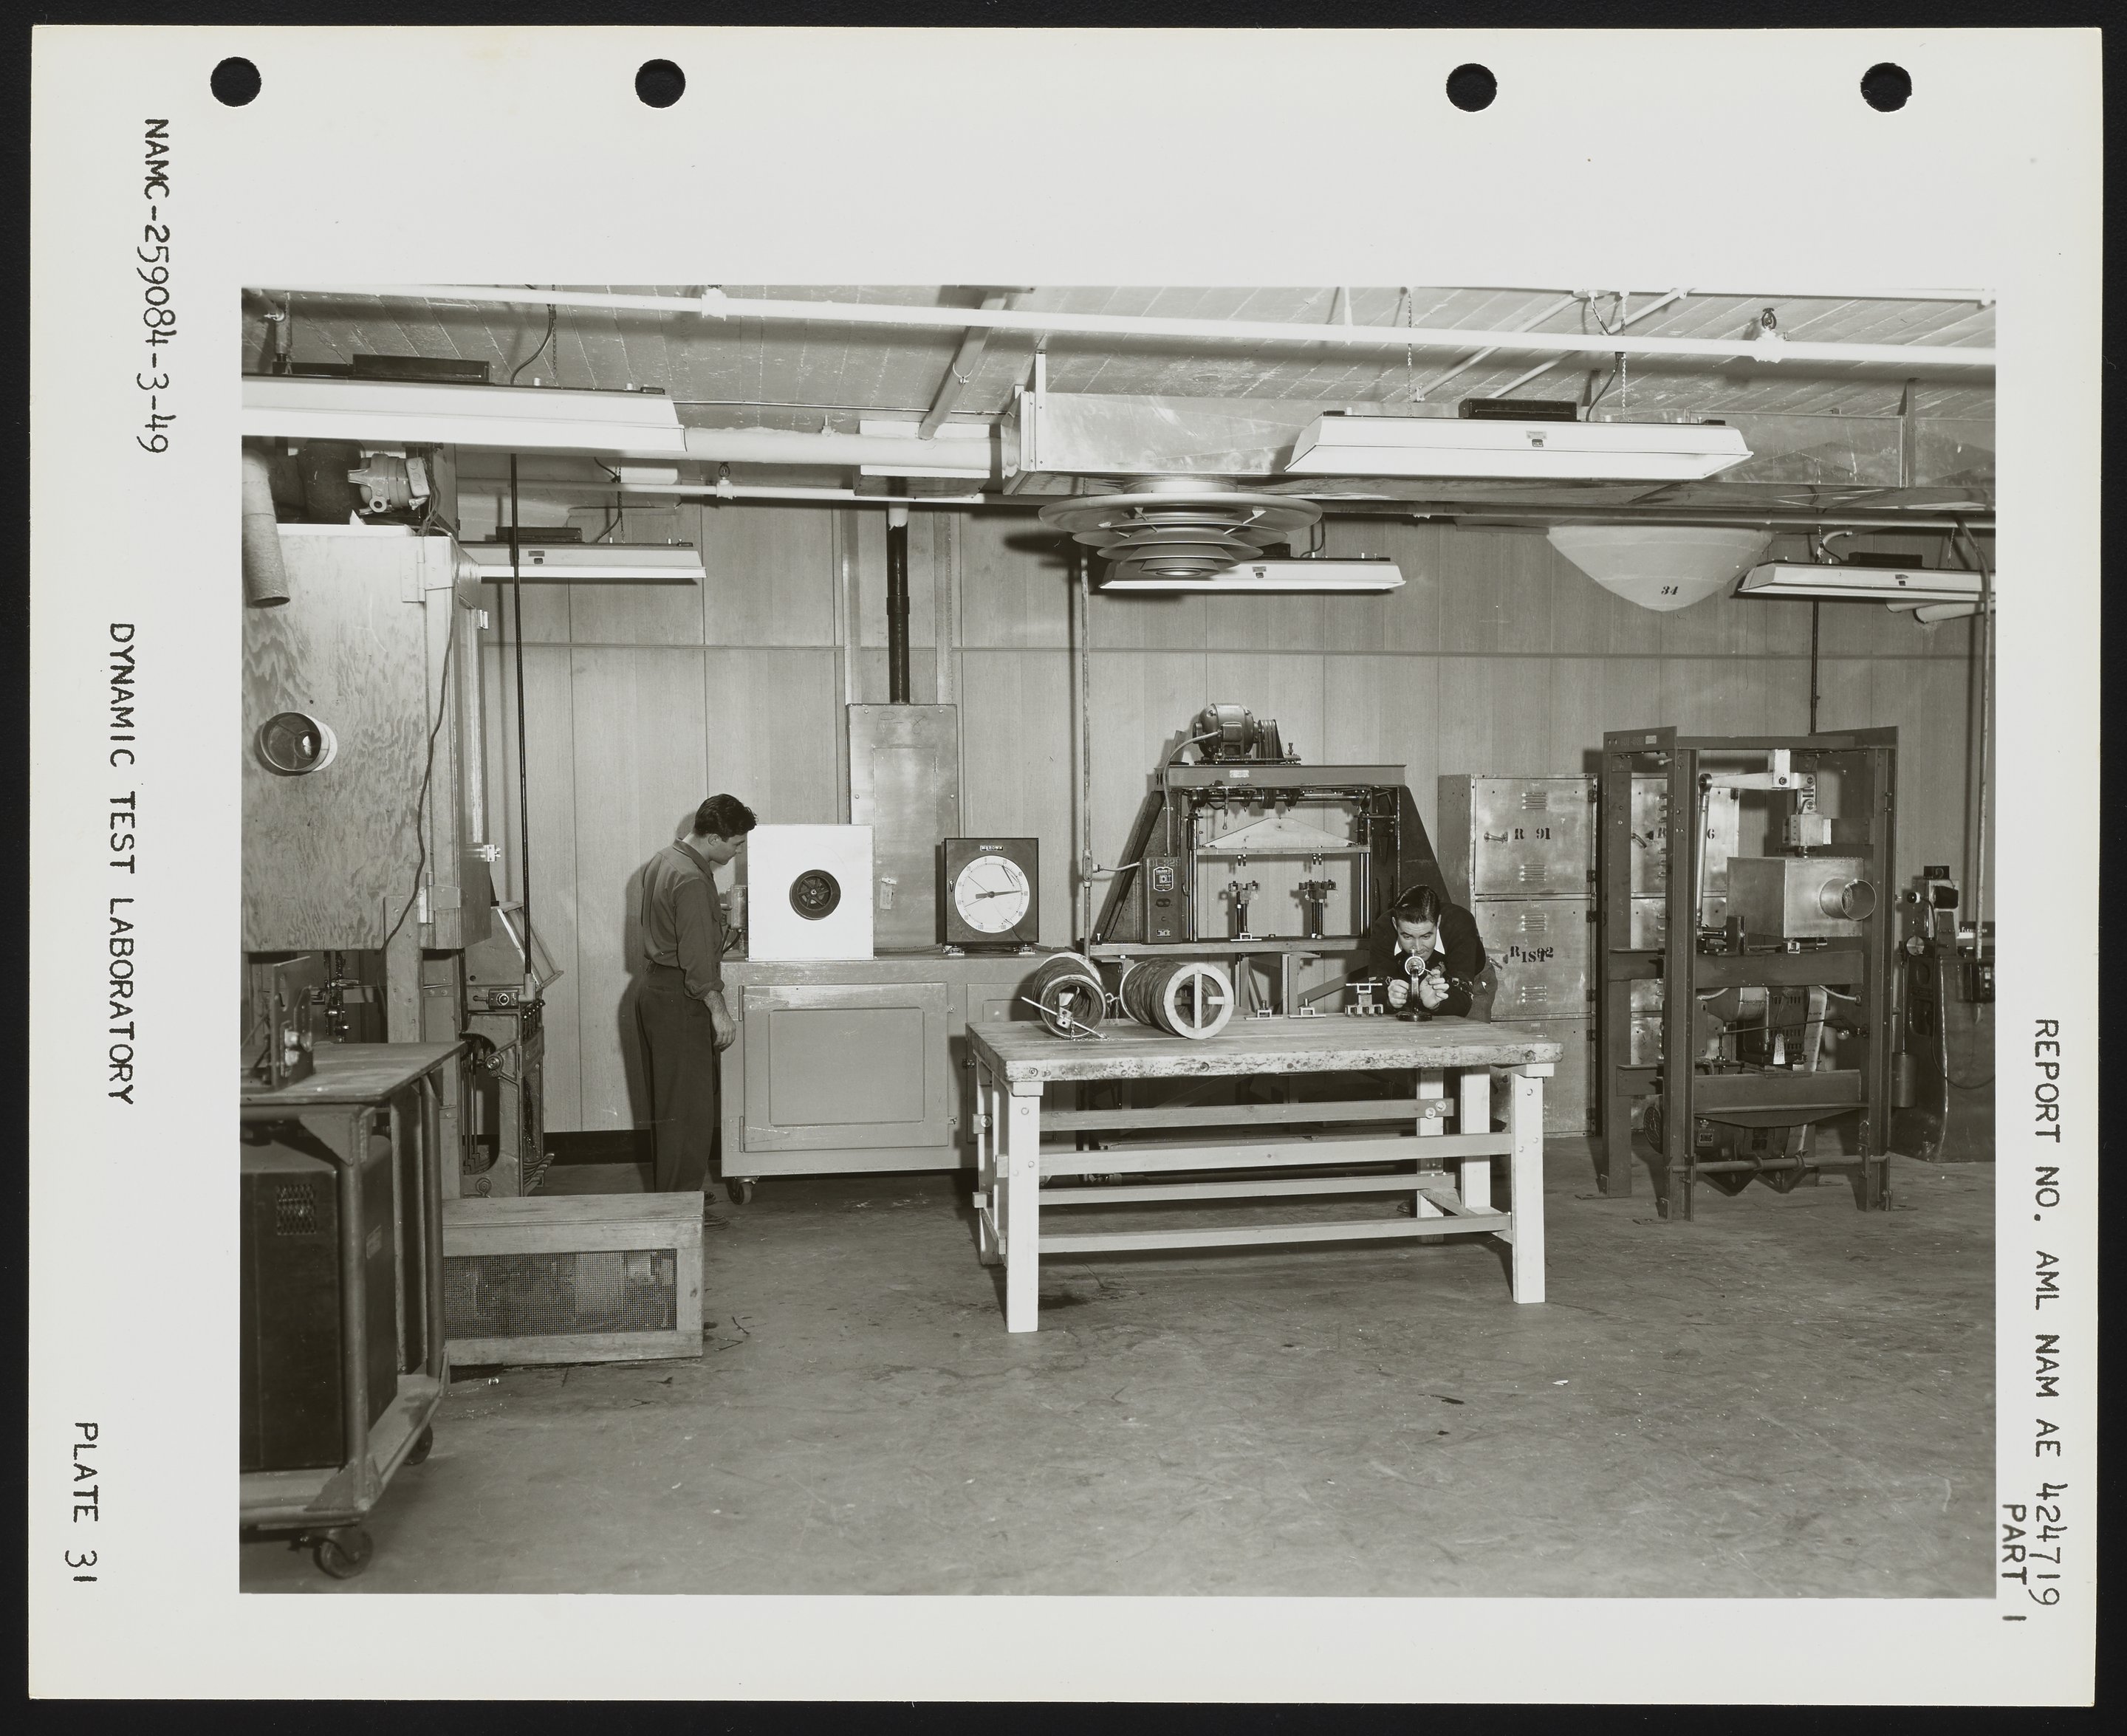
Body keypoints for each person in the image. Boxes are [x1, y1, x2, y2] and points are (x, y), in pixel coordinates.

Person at [637, 794, 757, 1217]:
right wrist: (719, 1011)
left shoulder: (665, 860)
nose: (737, 851)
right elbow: (697, 959)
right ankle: (678, 1212)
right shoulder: (691, 879)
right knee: (688, 1111)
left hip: (659, 991)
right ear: (713, 838)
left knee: (675, 1108)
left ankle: (677, 1195)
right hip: (681, 999)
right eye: (736, 844)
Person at [1360, 883, 1493, 1020]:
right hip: (1407, 982)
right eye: (1407, 937)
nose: (1417, 948)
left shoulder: (1460, 924)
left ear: (1438, 922)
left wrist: (1437, 1004)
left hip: (1471, 980)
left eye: (1426, 936)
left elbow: (1462, 1000)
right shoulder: (1383, 929)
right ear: (1395, 925)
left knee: (1469, 1032)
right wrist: (1389, 1000)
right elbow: (1375, 992)